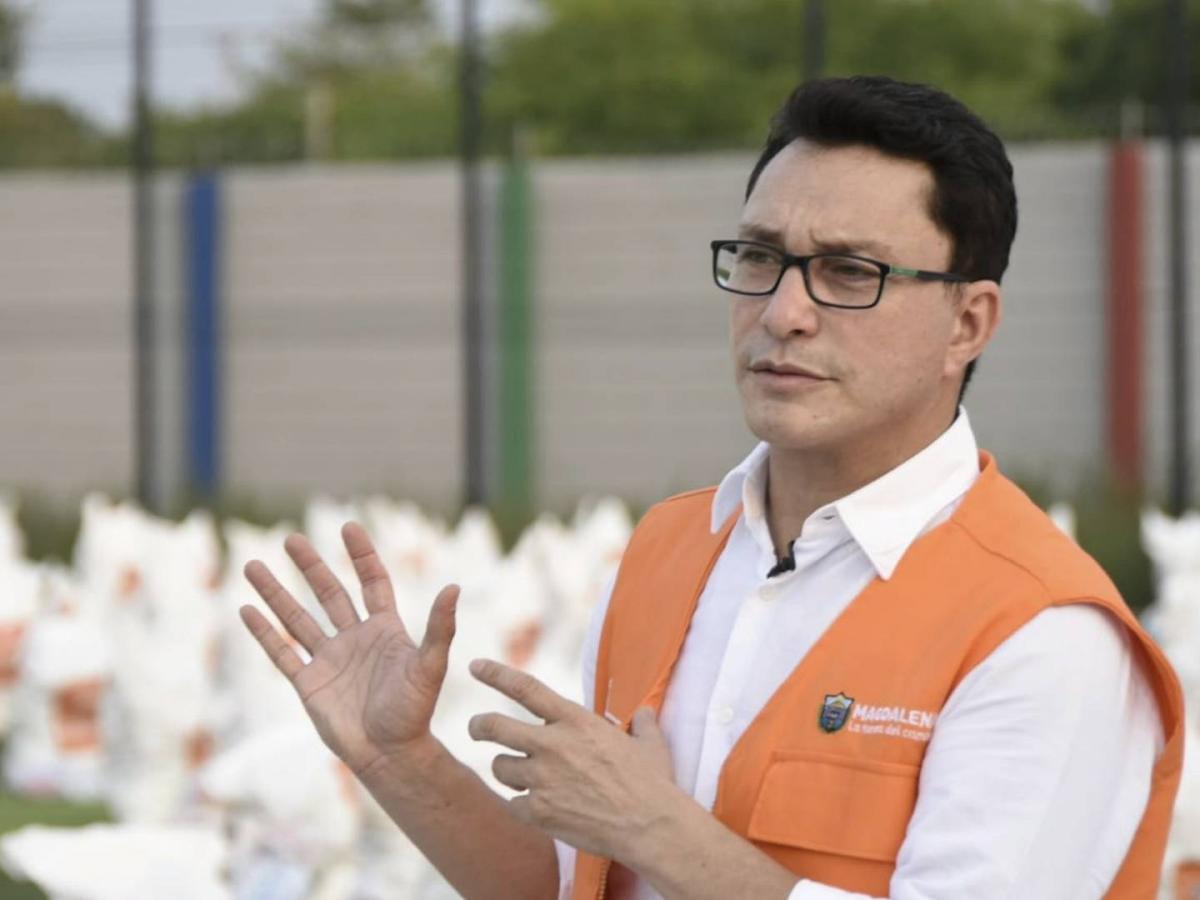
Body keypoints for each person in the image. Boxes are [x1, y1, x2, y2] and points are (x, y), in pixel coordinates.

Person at [239, 75, 1184, 899]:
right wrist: (398, 758)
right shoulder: (669, 550)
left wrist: (661, 832)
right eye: (762, 257)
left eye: (848, 272)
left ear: (968, 324)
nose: (783, 312)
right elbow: (579, 887)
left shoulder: (1040, 630)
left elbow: (651, 842)